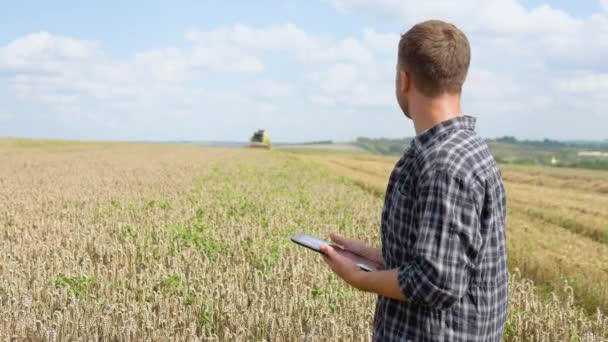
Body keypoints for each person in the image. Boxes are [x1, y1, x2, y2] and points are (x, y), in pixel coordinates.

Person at [319, 19, 508, 341]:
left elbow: (438, 283)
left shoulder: (444, 165)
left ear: (404, 79)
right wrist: (377, 258)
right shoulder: (465, 148)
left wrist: (359, 278)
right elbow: (451, 260)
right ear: (460, 78)